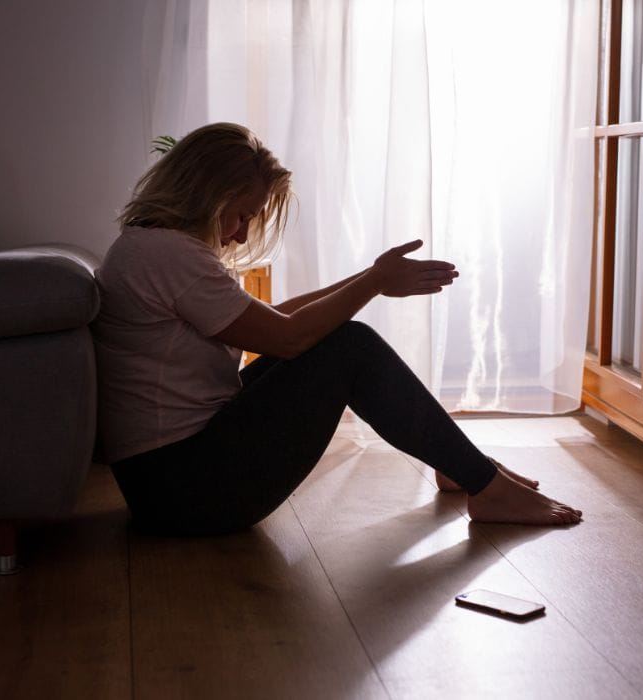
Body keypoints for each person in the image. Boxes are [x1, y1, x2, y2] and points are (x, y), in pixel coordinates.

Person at [92, 122, 582, 536]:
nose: (240, 234)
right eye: (240, 215)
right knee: (349, 346)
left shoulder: (150, 247)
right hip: (183, 490)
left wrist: (371, 277)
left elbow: (273, 322)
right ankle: (484, 484)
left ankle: (463, 468)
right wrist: (374, 281)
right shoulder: (167, 254)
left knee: (336, 340)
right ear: (206, 193)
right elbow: (288, 337)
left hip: (167, 481)